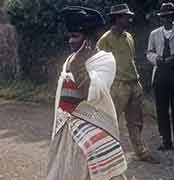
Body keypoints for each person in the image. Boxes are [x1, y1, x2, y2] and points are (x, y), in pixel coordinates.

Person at [45, 6, 128, 180]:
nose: (70, 41)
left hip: (93, 129)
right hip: (68, 129)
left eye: (75, 36)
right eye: (70, 36)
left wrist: (81, 60)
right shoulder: (70, 59)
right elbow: (64, 97)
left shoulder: (105, 60)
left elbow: (90, 93)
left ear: (88, 39)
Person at [97, 3, 158, 163]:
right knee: (111, 121)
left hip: (134, 83)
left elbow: (130, 60)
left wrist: (137, 83)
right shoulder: (105, 40)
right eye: (126, 16)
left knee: (136, 121)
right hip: (117, 85)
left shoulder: (129, 36)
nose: (129, 19)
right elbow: (99, 65)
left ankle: (141, 152)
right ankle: (104, 153)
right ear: (117, 19)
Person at [146, 2, 174, 151]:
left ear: (173, 16)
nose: (167, 19)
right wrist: (156, 59)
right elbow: (149, 53)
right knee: (161, 108)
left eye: (169, 16)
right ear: (161, 18)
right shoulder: (154, 34)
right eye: (164, 17)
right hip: (160, 74)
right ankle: (166, 140)